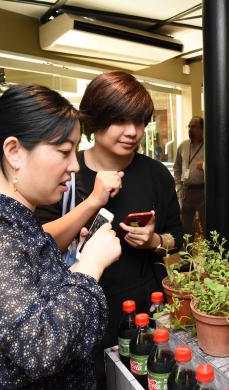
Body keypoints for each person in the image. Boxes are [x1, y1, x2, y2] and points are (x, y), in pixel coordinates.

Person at [0, 84, 121, 389]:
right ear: (14, 152)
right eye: (64, 151)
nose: (74, 166)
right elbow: (38, 348)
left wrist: (74, 266)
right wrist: (91, 265)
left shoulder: (11, 218)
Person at [35, 71, 183, 389]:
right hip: (79, 310)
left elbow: (177, 240)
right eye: (120, 120)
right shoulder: (67, 170)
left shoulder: (156, 174)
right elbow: (39, 245)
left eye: (141, 122)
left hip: (142, 308)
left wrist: (154, 240)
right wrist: (93, 201)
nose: (133, 132)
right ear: (95, 119)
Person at [174, 116, 205, 238]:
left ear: (202, 129)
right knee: (185, 226)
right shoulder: (183, 146)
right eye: (189, 126)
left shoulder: (209, 145)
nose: (191, 129)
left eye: (195, 126)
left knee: (207, 225)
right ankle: (187, 255)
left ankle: (211, 255)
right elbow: (177, 167)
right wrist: (179, 185)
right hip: (186, 191)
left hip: (203, 191)